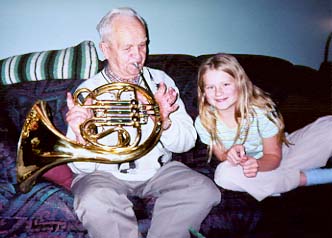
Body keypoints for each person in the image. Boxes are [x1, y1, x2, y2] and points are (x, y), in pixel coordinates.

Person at [65, 7, 221, 238]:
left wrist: (163, 121)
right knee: (93, 199)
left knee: (203, 190)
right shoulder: (88, 92)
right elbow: (78, 168)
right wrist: (81, 138)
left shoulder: (161, 81)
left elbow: (186, 143)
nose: (138, 55)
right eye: (127, 48)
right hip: (104, 175)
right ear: (106, 49)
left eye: (142, 45)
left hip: (158, 170)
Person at [195, 53, 332, 202]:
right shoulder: (204, 121)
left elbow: (274, 156)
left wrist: (260, 164)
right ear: (203, 92)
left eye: (225, 84)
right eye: (210, 87)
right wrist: (229, 154)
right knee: (224, 175)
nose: (218, 92)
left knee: (328, 125)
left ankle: (274, 181)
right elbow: (221, 155)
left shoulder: (261, 111)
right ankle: (306, 178)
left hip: (283, 153)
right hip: (248, 170)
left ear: (240, 84)